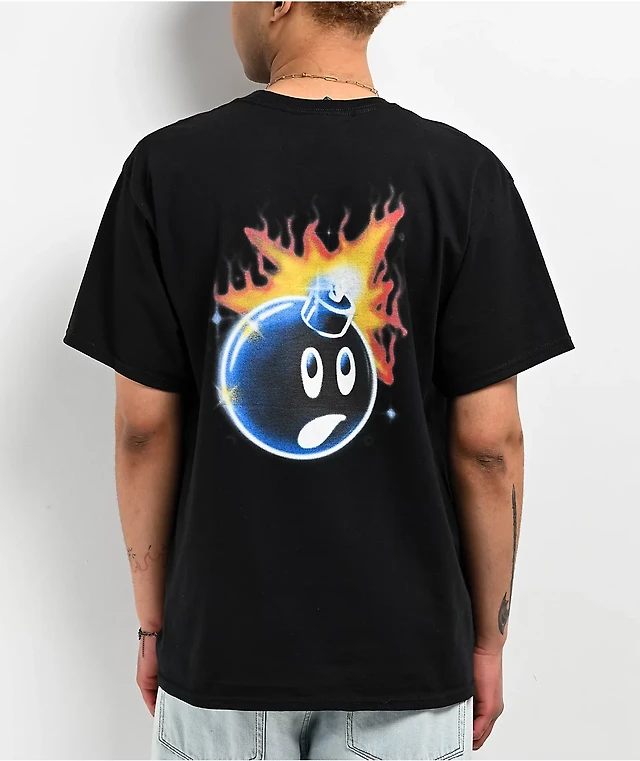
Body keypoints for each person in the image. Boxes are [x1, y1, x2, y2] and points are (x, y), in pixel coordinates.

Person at [63, 2, 574, 758]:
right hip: (408, 658)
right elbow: (490, 446)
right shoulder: (465, 178)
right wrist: (488, 642)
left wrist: (154, 626)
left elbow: (143, 429)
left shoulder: (163, 171)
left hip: (220, 655)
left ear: (278, 3)